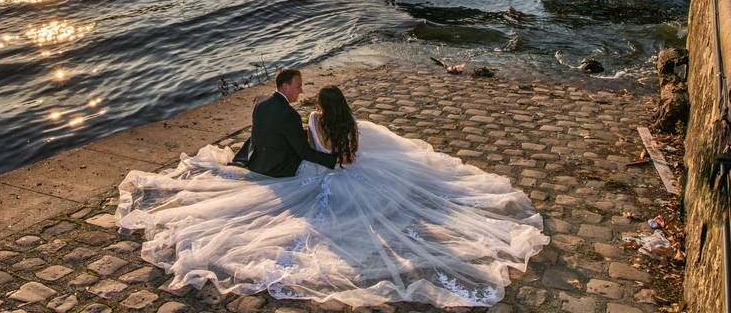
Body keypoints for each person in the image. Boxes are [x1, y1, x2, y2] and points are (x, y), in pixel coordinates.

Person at [117, 84, 548, 308]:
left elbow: (313, 150)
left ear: (321, 104)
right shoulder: (351, 125)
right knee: (395, 210)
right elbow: (351, 156)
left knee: (286, 216)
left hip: (320, 175)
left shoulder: (315, 120)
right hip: (353, 174)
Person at [229, 68, 336, 177]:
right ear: (285, 87)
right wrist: (334, 160)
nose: (301, 91)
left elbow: (276, 129)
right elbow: (304, 152)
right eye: (298, 86)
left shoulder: (260, 103)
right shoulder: (290, 114)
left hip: (256, 162)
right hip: (276, 168)